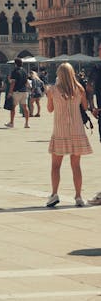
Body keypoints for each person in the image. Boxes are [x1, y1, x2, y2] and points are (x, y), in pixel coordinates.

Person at [45, 62, 92, 208]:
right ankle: (78, 196)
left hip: (60, 130)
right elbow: (85, 107)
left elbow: (50, 109)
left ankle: (54, 195)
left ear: (59, 74)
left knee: (55, 166)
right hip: (77, 130)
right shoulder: (79, 89)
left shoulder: (53, 90)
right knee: (76, 165)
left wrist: (50, 98)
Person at [6, 57, 31, 129]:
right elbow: (26, 81)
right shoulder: (24, 71)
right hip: (24, 91)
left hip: (16, 91)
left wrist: (10, 92)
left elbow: (13, 83)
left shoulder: (14, 71)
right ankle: (26, 123)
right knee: (25, 107)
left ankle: (11, 122)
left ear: (15, 64)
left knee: (13, 107)